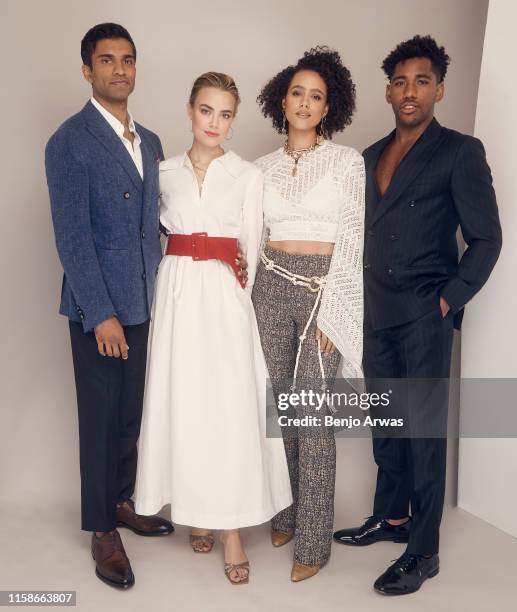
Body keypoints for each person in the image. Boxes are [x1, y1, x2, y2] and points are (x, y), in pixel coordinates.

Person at [333, 35, 502, 596]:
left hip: (425, 314)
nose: (410, 92)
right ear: (388, 90)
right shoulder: (368, 156)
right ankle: (392, 517)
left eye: (421, 82)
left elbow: (486, 238)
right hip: (376, 313)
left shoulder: (459, 151)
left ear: (439, 89)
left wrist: (449, 299)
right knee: (386, 424)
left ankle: (423, 550)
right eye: (401, 82)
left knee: (423, 433)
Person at [133, 72, 292, 586]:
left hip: (224, 300)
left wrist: (233, 308)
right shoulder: (162, 171)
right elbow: (150, 236)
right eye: (207, 111)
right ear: (189, 110)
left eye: (226, 114)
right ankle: (196, 510)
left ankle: (230, 530)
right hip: (177, 296)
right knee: (187, 404)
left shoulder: (246, 175)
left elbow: (250, 247)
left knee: (227, 409)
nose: (215, 123)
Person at [45, 23, 175, 589]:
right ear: (87, 70)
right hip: (100, 308)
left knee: (130, 415)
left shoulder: (150, 140)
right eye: (106, 60)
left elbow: (154, 226)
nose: (118, 69)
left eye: (127, 59)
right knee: (99, 419)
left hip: (145, 298)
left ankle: (121, 500)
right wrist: (100, 313)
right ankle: (101, 529)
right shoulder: (69, 140)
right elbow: (72, 236)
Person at [253, 46, 365, 582]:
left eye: (315, 96)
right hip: (269, 289)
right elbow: (252, 241)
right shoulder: (260, 169)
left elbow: (352, 241)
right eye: (297, 92)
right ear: (282, 99)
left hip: (322, 290)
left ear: (329, 108)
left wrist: (336, 313)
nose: (304, 102)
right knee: (277, 411)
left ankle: (314, 541)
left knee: (313, 419)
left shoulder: (347, 162)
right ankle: (284, 512)